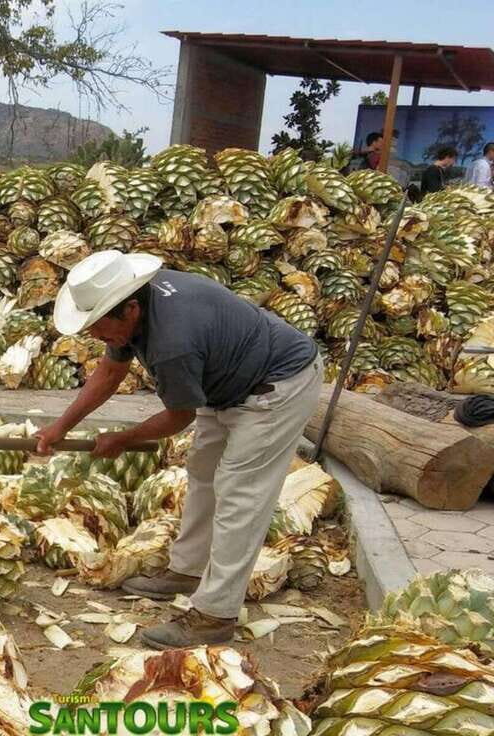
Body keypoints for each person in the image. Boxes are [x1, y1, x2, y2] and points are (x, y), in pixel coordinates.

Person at [36, 251, 323, 649]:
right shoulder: (133, 307)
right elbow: (111, 371)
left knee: (240, 495)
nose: (98, 338)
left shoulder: (172, 343)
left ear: (130, 310)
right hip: (226, 383)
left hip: (276, 388)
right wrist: (61, 426)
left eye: (101, 329)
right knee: (203, 471)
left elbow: (178, 417)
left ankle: (215, 615)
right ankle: (187, 570)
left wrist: (123, 438)